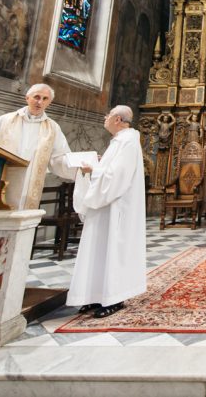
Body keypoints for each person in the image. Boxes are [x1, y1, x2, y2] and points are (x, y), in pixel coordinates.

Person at [66, 105, 146, 319]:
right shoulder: (120, 141)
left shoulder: (128, 140)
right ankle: (94, 294)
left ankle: (114, 297)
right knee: (98, 249)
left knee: (112, 249)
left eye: (108, 115)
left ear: (118, 119)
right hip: (104, 205)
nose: (105, 117)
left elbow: (119, 174)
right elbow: (114, 169)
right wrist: (99, 165)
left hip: (115, 206)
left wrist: (94, 169)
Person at [0, 83, 73, 208]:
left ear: (49, 103)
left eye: (45, 99)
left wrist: (82, 166)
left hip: (30, 190)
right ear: (27, 98)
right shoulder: (5, 120)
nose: (40, 102)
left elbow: (59, 158)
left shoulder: (52, 129)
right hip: (1, 184)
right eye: (36, 97)